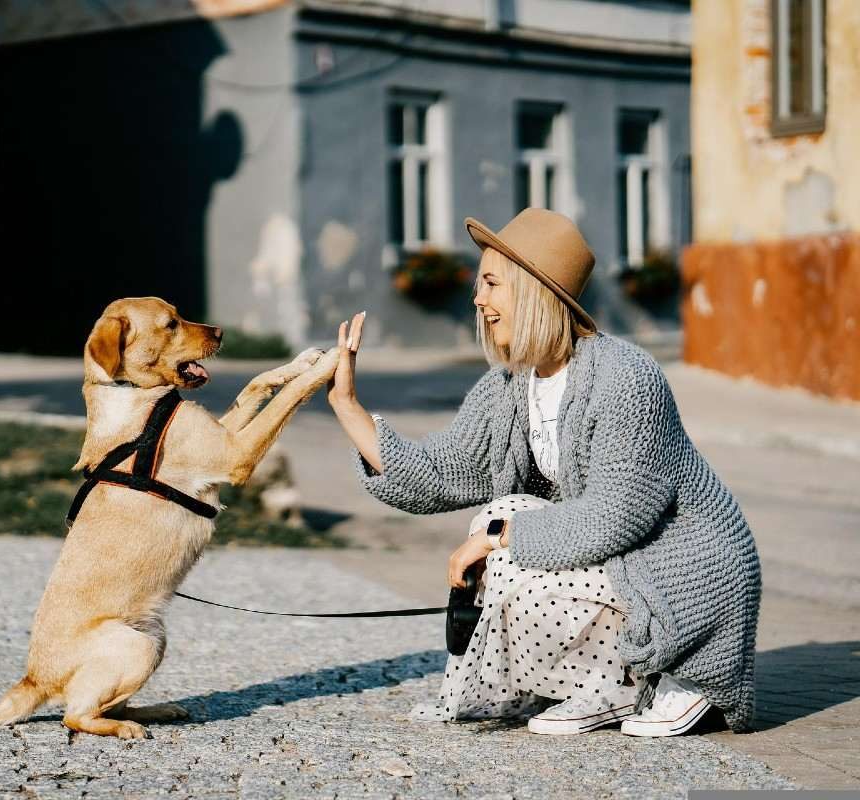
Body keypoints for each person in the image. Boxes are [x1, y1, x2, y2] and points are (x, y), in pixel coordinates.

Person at [326, 208, 760, 736]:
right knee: (500, 515)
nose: (478, 299)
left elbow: (613, 518)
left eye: (491, 283)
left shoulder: (626, 378)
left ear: (532, 290)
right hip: (622, 562)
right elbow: (441, 472)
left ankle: (655, 678)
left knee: (503, 537)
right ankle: (599, 684)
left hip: (684, 573)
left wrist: (495, 540)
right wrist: (348, 406)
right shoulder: (512, 385)